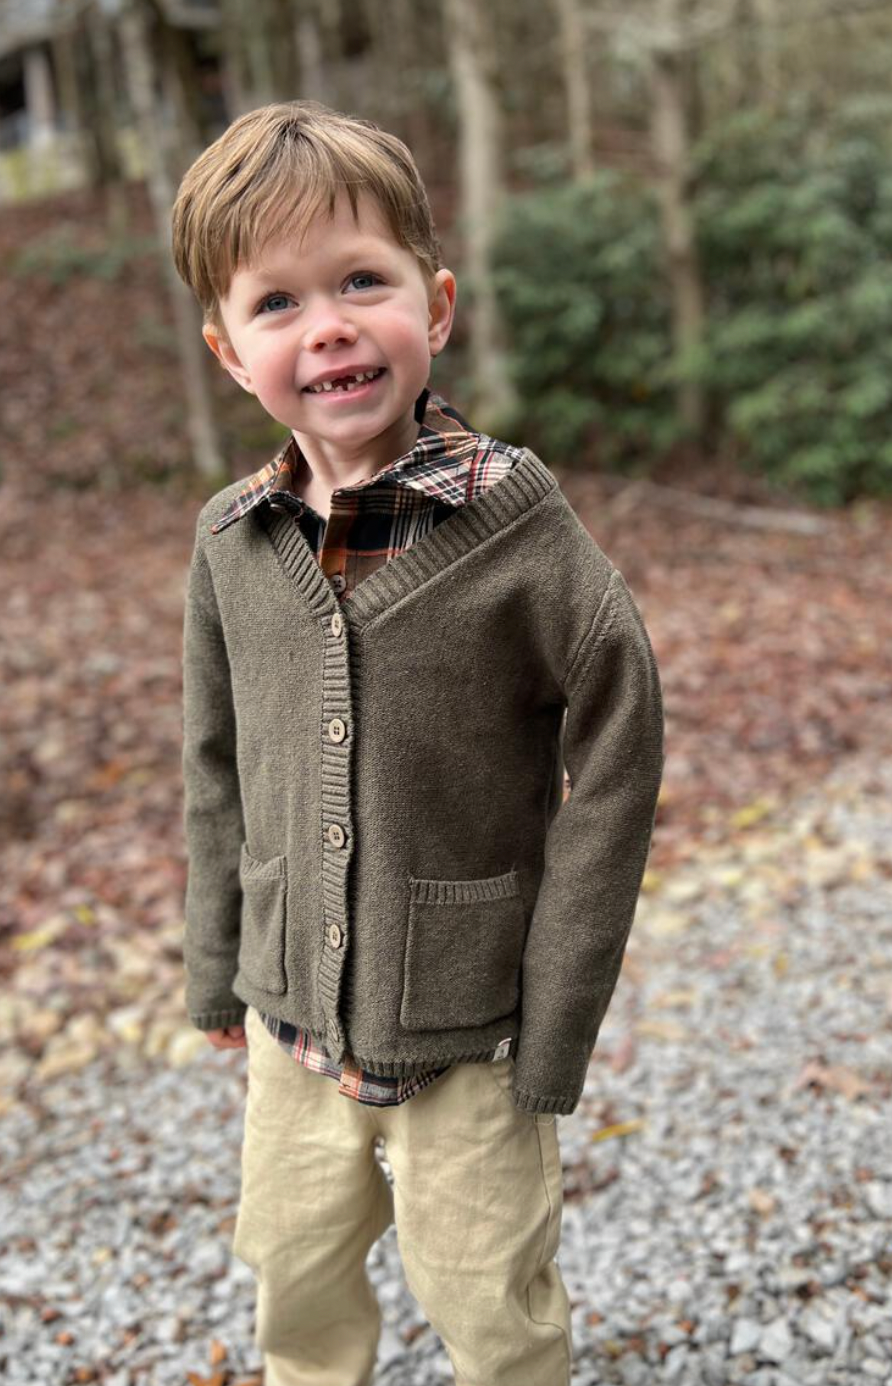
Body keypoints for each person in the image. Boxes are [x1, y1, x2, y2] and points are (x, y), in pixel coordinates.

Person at [173, 99, 664, 1386]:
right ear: (231, 351)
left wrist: (557, 1019)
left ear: (433, 306)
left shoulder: (518, 529)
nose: (326, 324)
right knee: (296, 1281)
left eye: (360, 281)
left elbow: (615, 754)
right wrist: (218, 966)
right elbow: (215, 764)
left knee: (493, 1309)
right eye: (277, 305)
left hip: (471, 1034)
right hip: (291, 1025)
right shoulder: (233, 541)